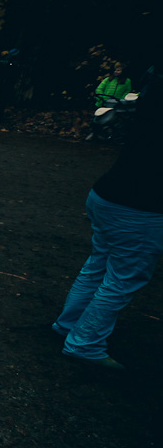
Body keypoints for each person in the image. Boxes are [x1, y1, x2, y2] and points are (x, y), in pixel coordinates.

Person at [53, 70, 161, 370]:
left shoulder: (147, 104)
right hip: (140, 206)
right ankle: (85, 342)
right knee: (123, 277)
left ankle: (69, 324)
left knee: (99, 264)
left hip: (109, 194)